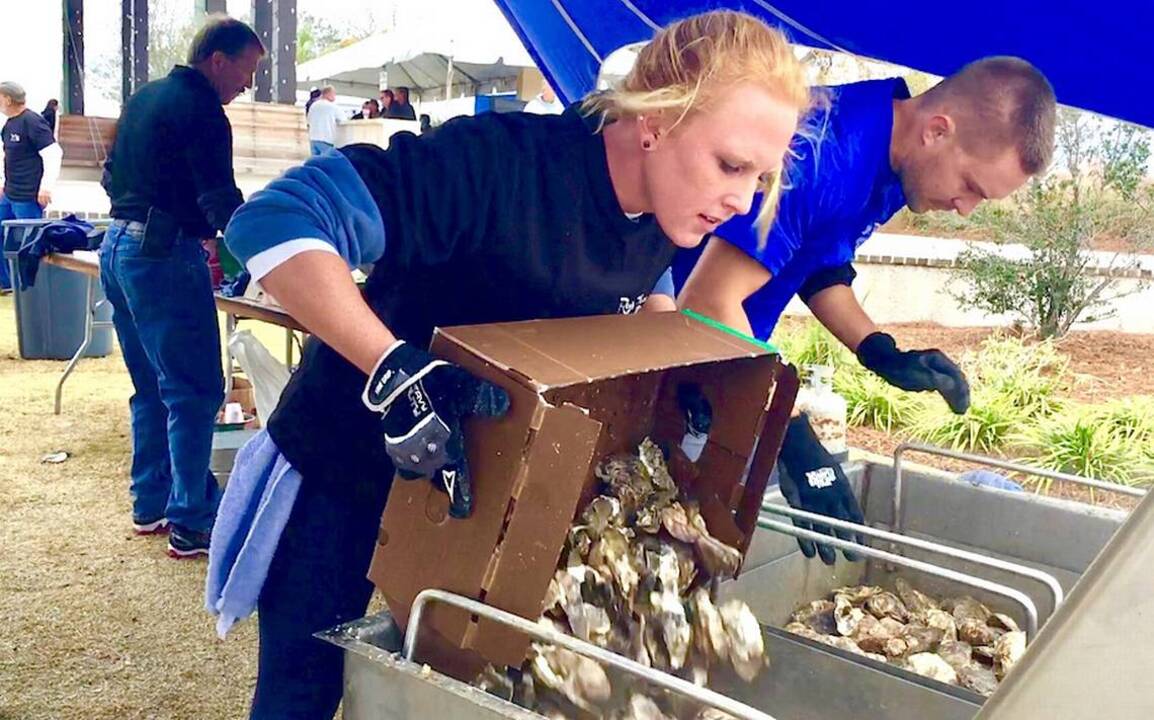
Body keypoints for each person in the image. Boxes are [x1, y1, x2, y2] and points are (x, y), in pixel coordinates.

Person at [208, 11, 810, 718]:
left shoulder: (668, 210)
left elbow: (644, 293)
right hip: (347, 464)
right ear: (657, 122)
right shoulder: (498, 165)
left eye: (760, 178)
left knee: (451, 693)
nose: (742, 201)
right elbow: (271, 222)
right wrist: (393, 368)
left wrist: (677, 377)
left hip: (475, 494)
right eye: (731, 166)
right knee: (300, 694)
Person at [671, 57, 1057, 563]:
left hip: (729, 375)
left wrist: (878, 350)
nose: (966, 209)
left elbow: (815, 262)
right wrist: (786, 429)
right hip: (673, 363)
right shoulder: (821, 152)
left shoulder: (894, 160)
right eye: (971, 187)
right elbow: (706, 302)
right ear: (938, 131)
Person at [99, 16, 265, 558]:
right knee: (193, 391)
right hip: (163, 252)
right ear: (219, 59)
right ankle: (192, 520)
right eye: (248, 69)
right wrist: (269, 255)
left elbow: (111, 175)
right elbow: (220, 199)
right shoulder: (204, 111)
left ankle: (150, 503)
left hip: (118, 245)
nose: (248, 84)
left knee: (152, 385)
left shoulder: (145, 98)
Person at [0, 82, 62, 291]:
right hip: (10, 193)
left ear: (8, 99)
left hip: (28, 195)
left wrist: (46, 187)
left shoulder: (32, 122)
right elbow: (8, 157)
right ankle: (6, 281)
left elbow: (53, 153)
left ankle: (32, 286)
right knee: (3, 235)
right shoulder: (9, 125)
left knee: (30, 242)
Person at [306, 85, 343, 155]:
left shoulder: (313, 106)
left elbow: (309, 120)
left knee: (315, 162)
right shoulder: (333, 107)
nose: (335, 96)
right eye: (334, 94)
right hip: (326, 139)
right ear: (328, 94)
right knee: (325, 162)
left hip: (313, 138)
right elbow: (343, 120)